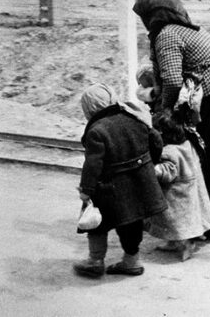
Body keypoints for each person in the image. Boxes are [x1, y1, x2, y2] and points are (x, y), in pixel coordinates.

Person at [133, 0, 210, 241]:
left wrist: (163, 113)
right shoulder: (187, 29)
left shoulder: (166, 34)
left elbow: (172, 81)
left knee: (200, 159)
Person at [73, 83, 167, 277]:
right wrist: (149, 165)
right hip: (140, 184)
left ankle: (95, 260)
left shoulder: (96, 131)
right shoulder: (134, 117)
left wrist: (86, 190)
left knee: (97, 224)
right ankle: (131, 261)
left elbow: (92, 165)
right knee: (132, 224)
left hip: (109, 189)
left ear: (89, 109)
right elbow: (156, 140)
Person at [144, 109, 210, 261]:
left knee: (179, 223)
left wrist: (152, 169)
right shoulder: (187, 144)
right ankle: (173, 242)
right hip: (191, 191)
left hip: (177, 196)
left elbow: (168, 171)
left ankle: (187, 245)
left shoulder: (168, 152)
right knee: (181, 222)